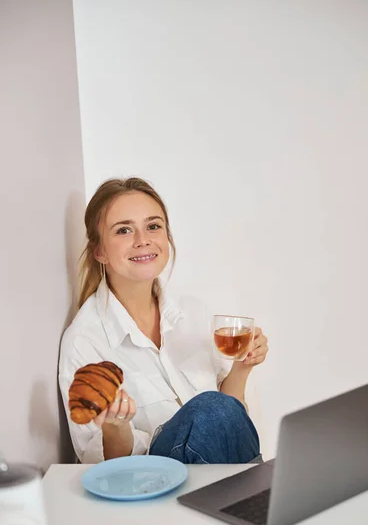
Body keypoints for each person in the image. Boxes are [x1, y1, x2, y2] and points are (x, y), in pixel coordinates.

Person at [59, 177, 269, 464]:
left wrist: (242, 368)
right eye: (123, 230)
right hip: (153, 485)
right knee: (210, 407)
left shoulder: (195, 313)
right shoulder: (85, 341)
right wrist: (115, 427)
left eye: (153, 226)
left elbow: (228, 418)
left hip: (222, 476)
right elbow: (102, 465)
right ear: (100, 251)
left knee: (218, 408)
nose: (142, 239)